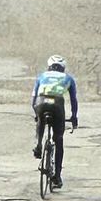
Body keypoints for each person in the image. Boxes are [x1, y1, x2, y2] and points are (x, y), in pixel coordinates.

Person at [31, 55, 78, 188]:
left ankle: (38, 145)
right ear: (63, 68)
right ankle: (57, 177)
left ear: (49, 66)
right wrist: (74, 117)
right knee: (58, 140)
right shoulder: (68, 78)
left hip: (41, 102)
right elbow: (73, 100)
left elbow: (33, 98)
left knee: (40, 120)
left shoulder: (41, 76)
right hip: (57, 105)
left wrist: (36, 114)